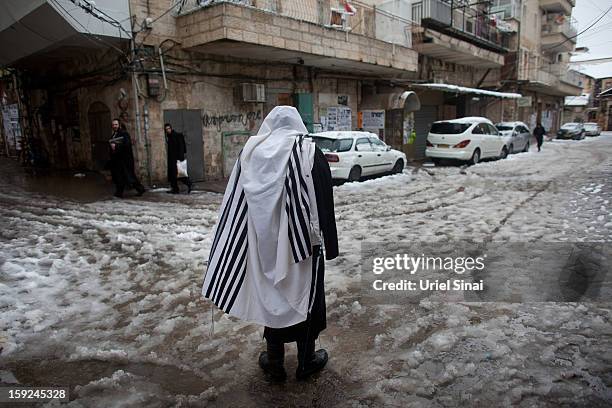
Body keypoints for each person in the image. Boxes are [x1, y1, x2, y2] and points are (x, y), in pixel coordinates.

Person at [202, 106, 338, 382]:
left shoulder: (250, 155)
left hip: (262, 245)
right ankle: (306, 361)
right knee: (306, 300)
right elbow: (324, 199)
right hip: (304, 248)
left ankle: (274, 361)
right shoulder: (309, 153)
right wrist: (330, 244)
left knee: (272, 297)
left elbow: (235, 201)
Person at [107, 119, 145, 198]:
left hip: (124, 160)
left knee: (129, 176)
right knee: (119, 177)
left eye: (116, 124)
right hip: (117, 160)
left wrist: (116, 146)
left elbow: (127, 145)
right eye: (113, 125)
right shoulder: (114, 134)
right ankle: (119, 193)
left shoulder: (124, 134)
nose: (114, 126)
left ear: (119, 125)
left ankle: (140, 189)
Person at [165, 123, 193, 194]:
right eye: (166, 129)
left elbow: (181, 147)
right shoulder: (169, 137)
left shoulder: (177, 135)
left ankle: (189, 184)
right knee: (173, 176)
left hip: (177, 159)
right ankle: (175, 189)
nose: (168, 130)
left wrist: (180, 158)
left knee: (180, 174)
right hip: (172, 159)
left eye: (169, 128)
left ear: (171, 128)